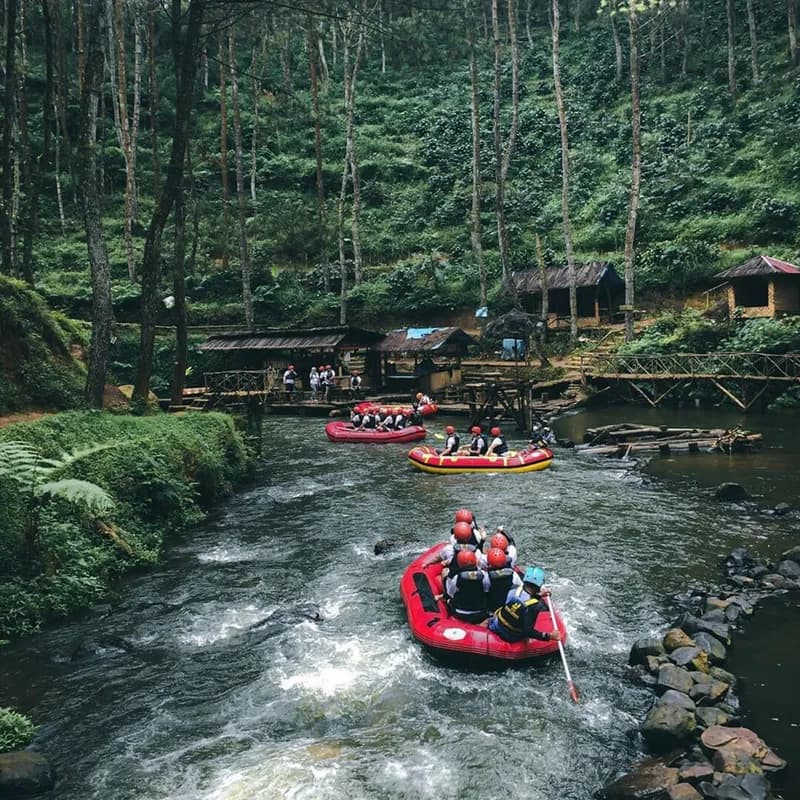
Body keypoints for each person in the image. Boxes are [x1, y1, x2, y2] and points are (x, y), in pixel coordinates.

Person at [485, 566, 562, 643]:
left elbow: (524, 598)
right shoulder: (535, 606)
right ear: (539, 585)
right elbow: (528, 631)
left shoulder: (514, 588)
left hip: (497, 625)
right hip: (510, 636)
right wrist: (549, 636)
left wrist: (539, 595)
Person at [444, 550, 490, 624]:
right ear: (475, 561)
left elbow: (451, 594)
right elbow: (487, 590)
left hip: (460, 613)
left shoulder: (456, 578)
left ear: (459, 564)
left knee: (448, 600)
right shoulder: (484, 575)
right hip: (479, 613)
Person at [484, 547, 522, 612]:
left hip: (493, 607)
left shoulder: (486, 577)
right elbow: (521, 587)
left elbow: (485, 592)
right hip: (508, 606)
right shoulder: (513, 574)